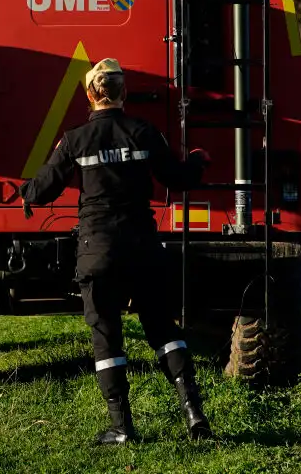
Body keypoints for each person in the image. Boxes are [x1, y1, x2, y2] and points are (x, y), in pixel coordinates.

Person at [20, 58, 211, 445]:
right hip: (143, 247)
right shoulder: (144, 131)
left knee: (107, 337)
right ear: (123, 93)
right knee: (163, 330)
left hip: (98, 249)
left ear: (90, 95)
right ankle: (194, 416)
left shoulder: (74, 139)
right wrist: (198, 161)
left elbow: (42, 190)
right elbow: (178, 177)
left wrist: (24, 193)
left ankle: (121, 428)